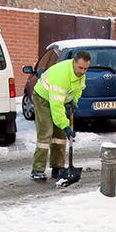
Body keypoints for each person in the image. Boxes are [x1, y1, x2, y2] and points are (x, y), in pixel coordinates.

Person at [30, 51, 90, 180]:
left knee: (60, 136)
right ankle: (37, 169)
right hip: (43, 99)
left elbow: (78, 89)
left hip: (58, 100)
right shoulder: (61, 76)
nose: (82, 71)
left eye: (85, 68)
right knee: (46, 132)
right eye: (80, 67)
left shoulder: (80, 75)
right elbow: (56, 107)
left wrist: (74, 102)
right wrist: (66, 126)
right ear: (74, 62)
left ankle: (57, 167)